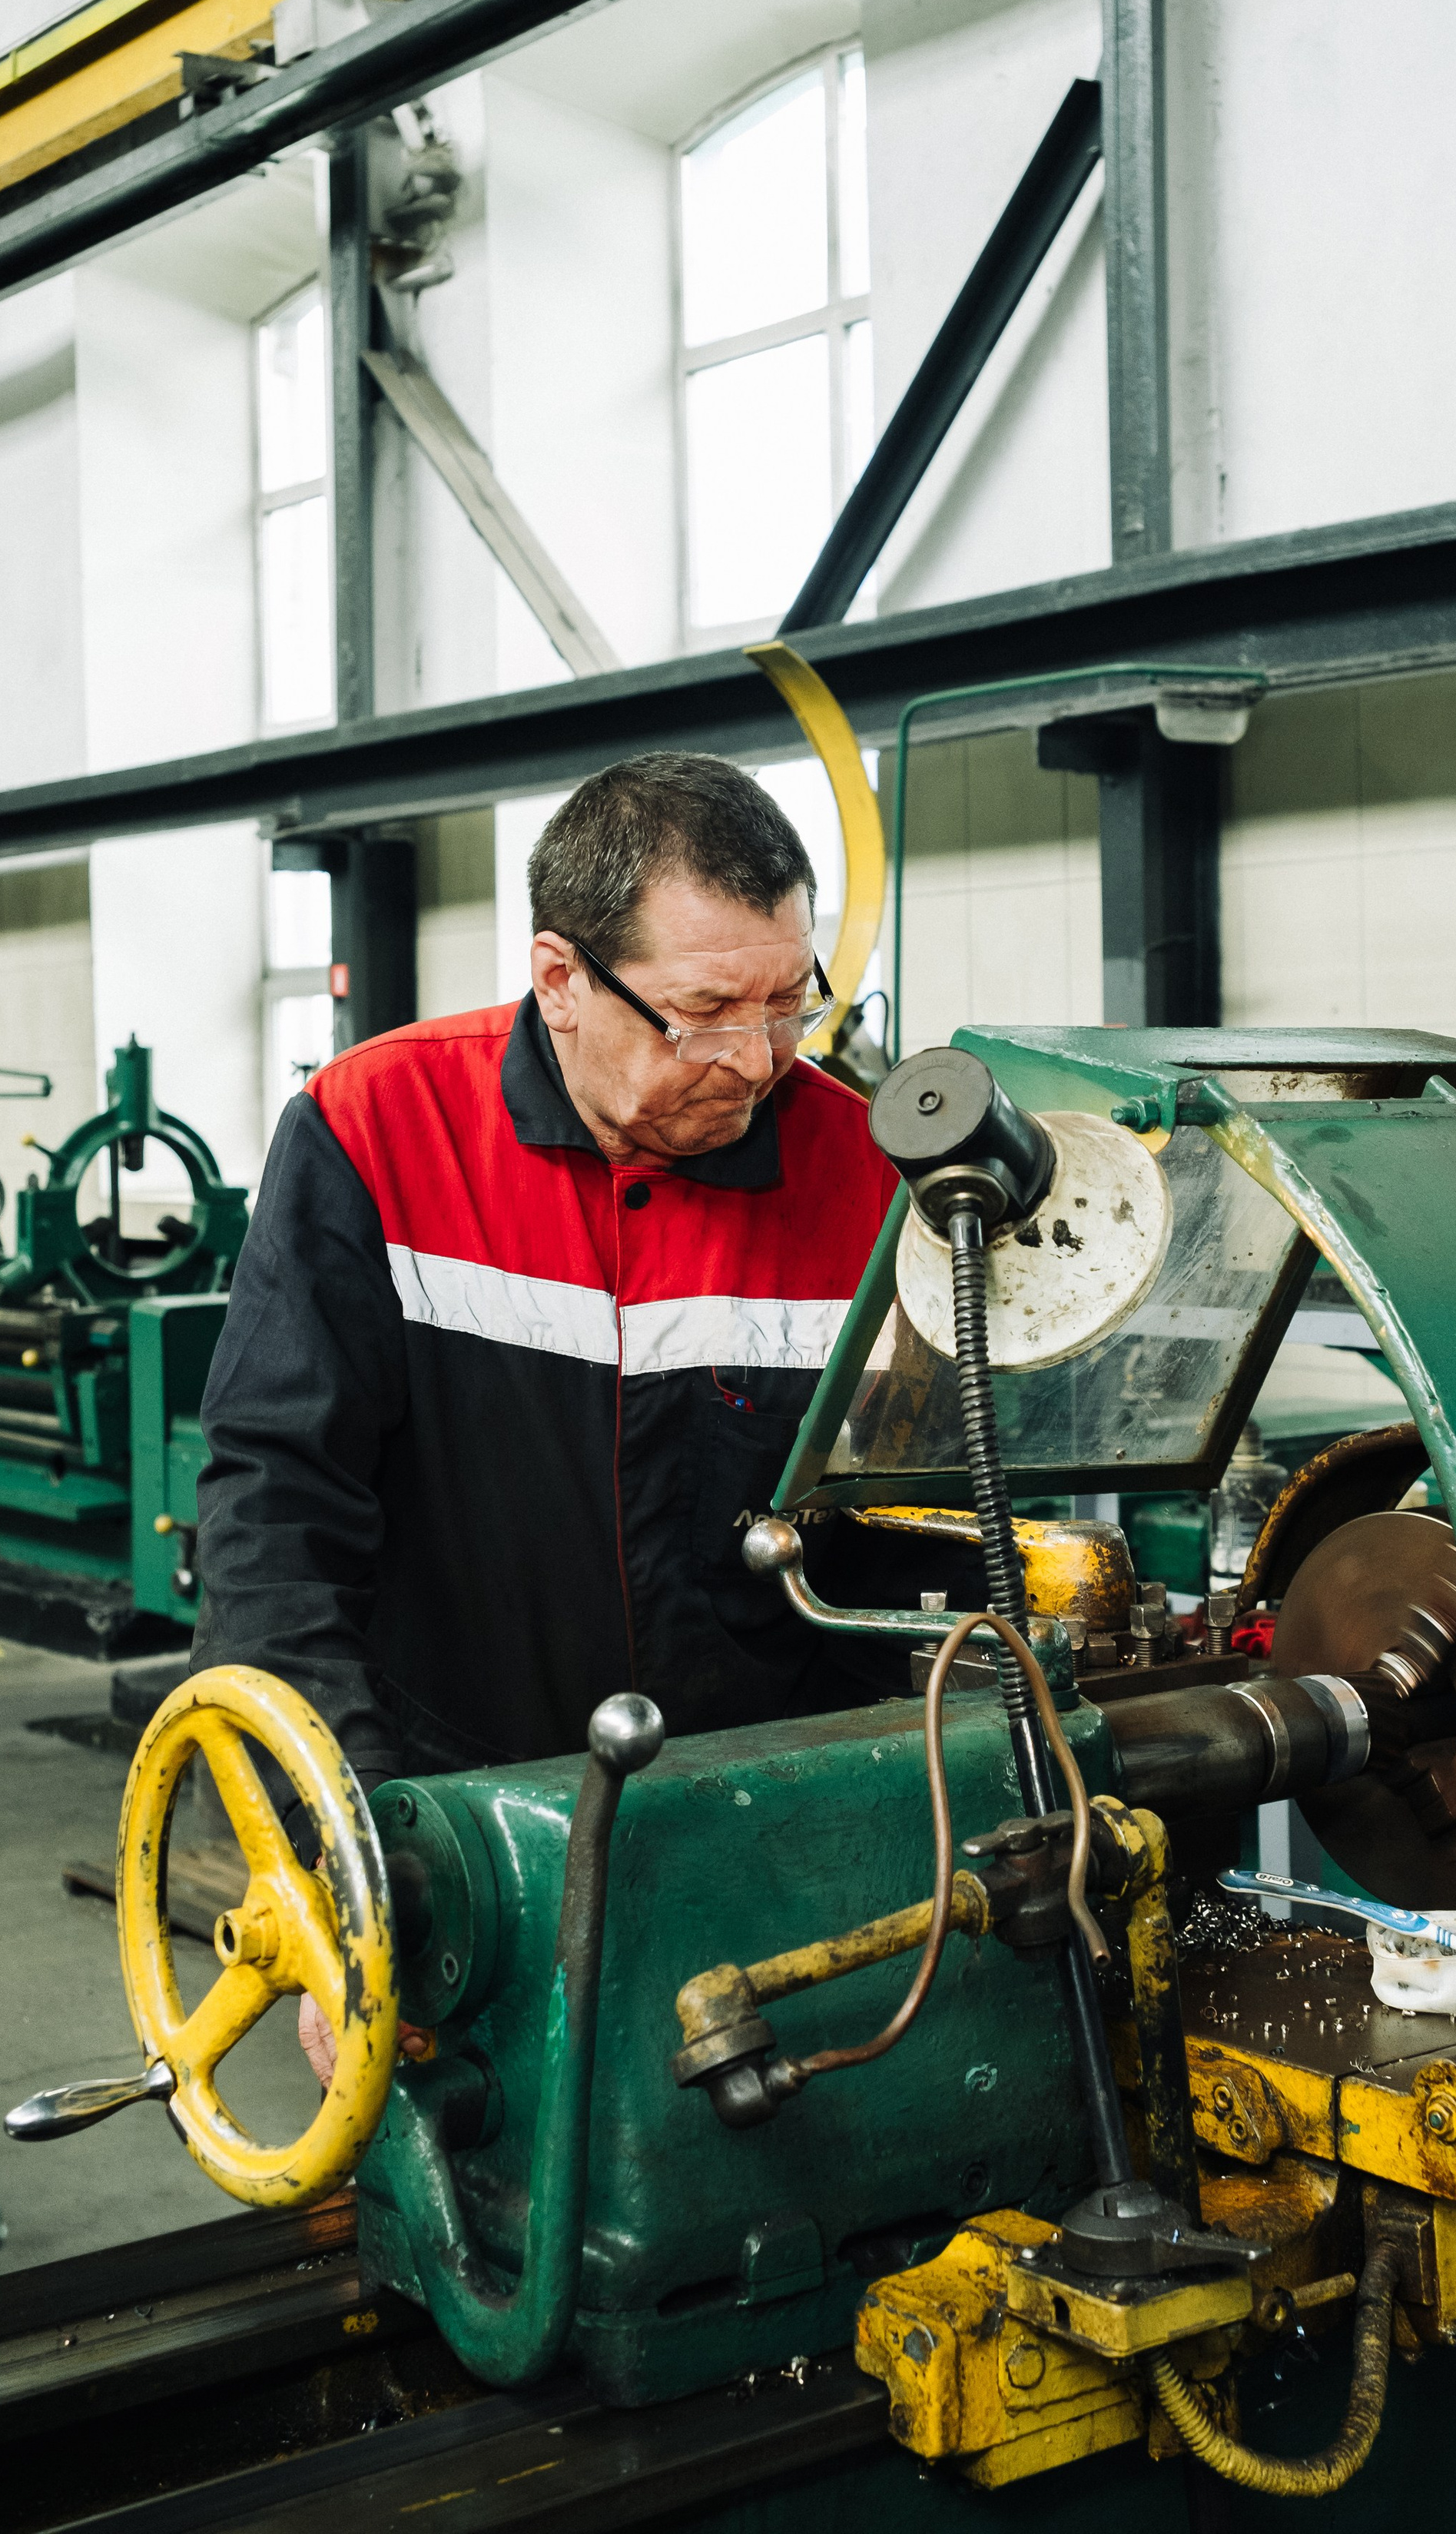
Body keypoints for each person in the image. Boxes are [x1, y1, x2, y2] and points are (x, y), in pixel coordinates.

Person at [191, 753, 915, 2075]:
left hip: (774, 1846)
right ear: (562, 978)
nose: (757, 1062)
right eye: (705, 1014)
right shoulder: (377, 1130)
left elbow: (911, 1550)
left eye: (789, 1004)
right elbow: (277, 1518)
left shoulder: (864, 1177)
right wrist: (353, 1871)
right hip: (458, 1848)